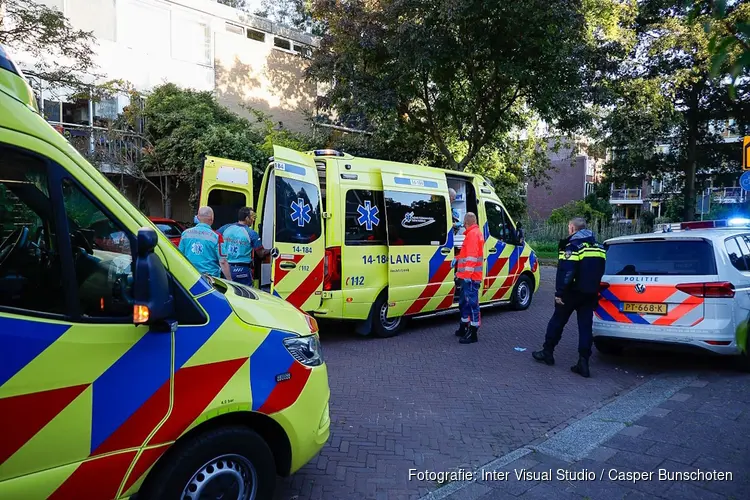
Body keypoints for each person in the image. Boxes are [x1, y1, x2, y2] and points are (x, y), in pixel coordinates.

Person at [532, 217, 606, 378]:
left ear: (573, 228)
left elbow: (567, 272)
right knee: (585, 327)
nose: (568, 230)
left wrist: (559, 293)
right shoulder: (599, 247)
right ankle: (583, 362)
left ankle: (547, 352)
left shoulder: (573, 247)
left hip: (571, 293)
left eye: (568, 227)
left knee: (557, 322)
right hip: (590, 294)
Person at [452, 212, 485, 344]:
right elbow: (466, 254)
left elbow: (471, 257)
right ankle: (464, 326)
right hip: (469, 277)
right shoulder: (473, 233)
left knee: (472, 305)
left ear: (466, 223)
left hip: (470, 278)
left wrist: (467, 276)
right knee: (464, 304)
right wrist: (456, 258)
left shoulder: (472, 235)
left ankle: (473, 332)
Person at [217, 207, 269, 286]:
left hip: (225, 268)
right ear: (246, 218)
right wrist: (271, 250)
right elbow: (261, 253)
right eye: (252, 217)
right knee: (245, 295)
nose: (253, 219)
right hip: (242, 270)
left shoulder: (225, 228)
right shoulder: (252, 233)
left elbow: (214, 239)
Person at [179, 206, 231, 280]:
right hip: (210, 279)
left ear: (198, 217)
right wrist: (230, 280)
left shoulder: (185, 234)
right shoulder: (216, 236)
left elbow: (180, 256)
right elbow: (223, 261)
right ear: (212, 219)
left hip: (190, 276)